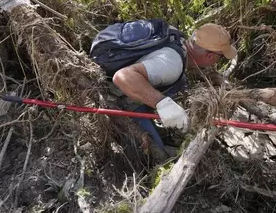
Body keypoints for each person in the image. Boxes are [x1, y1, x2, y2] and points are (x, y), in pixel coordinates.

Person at [89, 20, 237, 149]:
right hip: (112, 91)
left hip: (106, 54)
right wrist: (163, 104)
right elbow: (123, 77)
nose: (217, 62)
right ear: (210, 56)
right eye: (221, 58)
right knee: (158, 153)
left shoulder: (176, 38)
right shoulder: (172, 64)